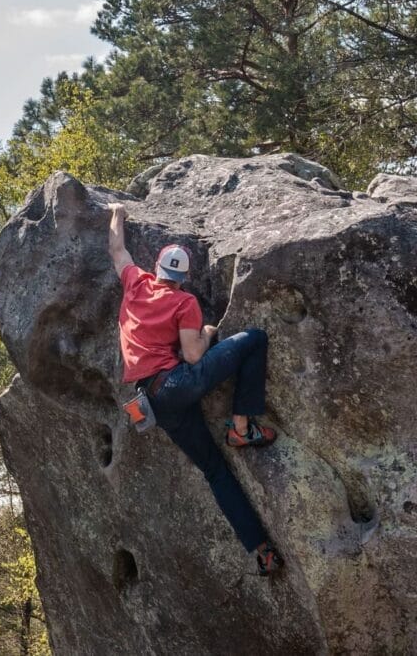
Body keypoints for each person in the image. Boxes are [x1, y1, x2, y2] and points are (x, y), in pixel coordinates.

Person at [106, 202, 284, 575]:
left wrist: (117, 213)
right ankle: (241, 427)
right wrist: (206, 332)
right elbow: (192, 355)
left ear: (156, 268)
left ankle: (262, 551)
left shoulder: (135, 283)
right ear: (184, 277)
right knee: (254, 339)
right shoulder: (184, 302)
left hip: (153, 401)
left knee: (215, 471)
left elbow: (117, 249)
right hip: (178, 383)